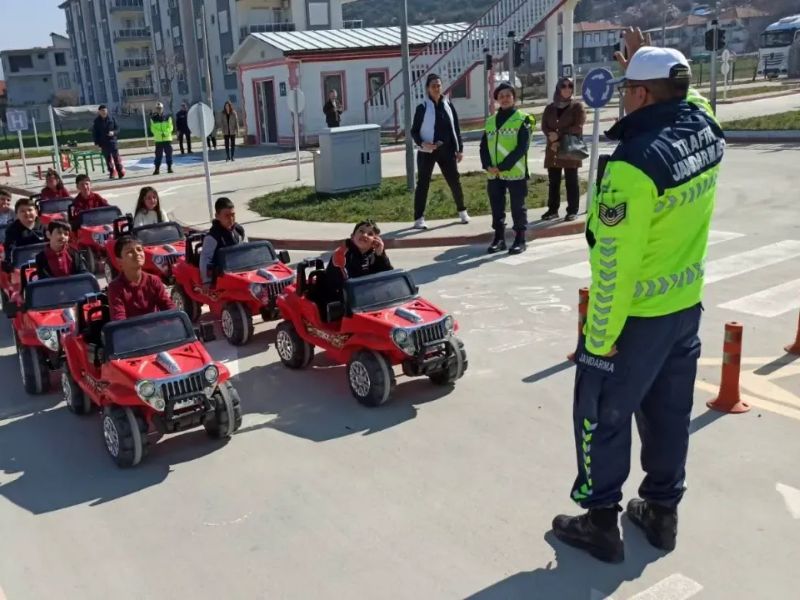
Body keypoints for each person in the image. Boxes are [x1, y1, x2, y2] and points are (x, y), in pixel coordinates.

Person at [551, 31, 725, 564]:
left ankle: (601, 519)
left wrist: (599, 342)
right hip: (684, 308)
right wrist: (649, 66)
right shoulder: (707, 128)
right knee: (670, 413)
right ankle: (661, 512)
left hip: (635, 318)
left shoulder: (632, 165)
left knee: (601, 413)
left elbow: (613, 264)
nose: (623, 96)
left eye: (628, 88)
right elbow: (689, 96)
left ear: (642, 96)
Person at [480, 82, 534, 256]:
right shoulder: (490, 121)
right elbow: (483, 147)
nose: (504, 99)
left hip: (514, 172)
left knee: (518, 207)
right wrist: (487, 165)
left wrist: (502, 167)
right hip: (493, 173)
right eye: (501, 96)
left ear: (514, 98)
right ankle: (499, 238)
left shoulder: (522, 119)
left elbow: (522, 148)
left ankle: (520, 239)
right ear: (497, 99)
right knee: (497, 207)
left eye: (508, 95)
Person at [410, 73, 469, 230]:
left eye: (438, 85)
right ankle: (419, 218)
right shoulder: (422, 108)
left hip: (447, 150)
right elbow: (414, 131)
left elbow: (455, 128)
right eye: (433, 86)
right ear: (428, 89)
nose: (436, 88)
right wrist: (423, 143)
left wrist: (459, 149)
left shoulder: (448, 105)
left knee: (454, 181)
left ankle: (462, 211)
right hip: (427, 151)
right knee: (423, 184)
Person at [541, 77, 586, 222]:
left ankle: (572, 210)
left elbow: (578, 127)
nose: (567, 89)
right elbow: (544, 126)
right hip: (553, 149)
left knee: (571, 181)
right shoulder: (550, 108)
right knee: (553, 181)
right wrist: (551, 138)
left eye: (570, 86)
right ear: (558, 88)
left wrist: (558, 136)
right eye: (564, 86)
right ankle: (552, 210)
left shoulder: (577, 107)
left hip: (569, 149)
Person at [324, 220, 392, 307]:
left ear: (374, 241)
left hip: (367, 301)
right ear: (352, 236)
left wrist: (380, 255)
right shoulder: (342, 254)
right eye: (361, 231)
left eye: (370, 234)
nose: (365, 235)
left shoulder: (374, 255)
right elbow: (350, 282)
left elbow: (388, 280)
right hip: (342, 303)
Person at [108, 235, 175, 321]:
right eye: (129, 252)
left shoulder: (154, 280)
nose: (137, 253)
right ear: (119, 261)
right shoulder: (115, 288)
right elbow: (119, 320)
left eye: (139, 249)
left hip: (157, 329)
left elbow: (168, 307)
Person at [198, 197, 247, 285]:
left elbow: (246, 249)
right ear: (217, 216)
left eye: (233, 215)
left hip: (240, 271)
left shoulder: (239, 230)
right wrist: (206, 281)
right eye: (227, 216)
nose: (231, 219)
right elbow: (205, 260)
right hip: (222, 277)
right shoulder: (213, 237)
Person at [2, 197, 45, 267]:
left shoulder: (45, 226)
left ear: (36, 212)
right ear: (17, 215)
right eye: (22, 211)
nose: (27, 213)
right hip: (23, 264)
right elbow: (9, 250)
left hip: (43, 261)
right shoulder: (12, 230)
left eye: (30, 210)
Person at [92, 104, 126, 180]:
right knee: (108, 159)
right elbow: (95, 133)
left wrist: (113, 133)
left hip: (112, 141)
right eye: (102, 111)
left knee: (116, 158)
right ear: (99, 112)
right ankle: (111, 172)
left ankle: (119, 171)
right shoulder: (97, 121)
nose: (103, 112)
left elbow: (118, 129)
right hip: (103, 143)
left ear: (107, 111)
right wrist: (96, 143)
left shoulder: (112, 118)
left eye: (105, 110)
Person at [150, 101, 174, 175]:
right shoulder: (153, 118)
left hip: (167, 139)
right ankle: (157, 169)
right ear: (156, 109)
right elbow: (153, 129)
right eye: (158, 108)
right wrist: (160, 133)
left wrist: (165, 133)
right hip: (158, 140)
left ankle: (169, 168)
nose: (159, 109)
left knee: (169, 154)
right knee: (158, 155)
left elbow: (170, 127)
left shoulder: (167, 117)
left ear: (163, 108)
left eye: (160, 108)